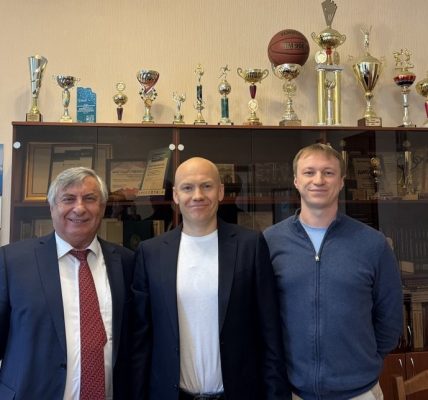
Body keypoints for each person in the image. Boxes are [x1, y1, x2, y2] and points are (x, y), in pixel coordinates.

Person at [131, 157, 289, 400]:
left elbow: (269, 333)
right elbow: (140, 339)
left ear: (221, 192)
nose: (198, 196)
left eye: (206, 186)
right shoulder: (150, 252)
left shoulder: (250, 245)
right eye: (187, 187)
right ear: (175, 195)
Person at [264, 143, 403, 400]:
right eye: (309, 172)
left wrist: (364, 361)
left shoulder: (373, 244)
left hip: (360, 392)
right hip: (292, 391)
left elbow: (390, 318)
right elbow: (262, 316)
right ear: (296, 180)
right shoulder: (270, 242)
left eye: (328, 173)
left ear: (341, 182)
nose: (318, 180)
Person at [0, 167, 134, 400]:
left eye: (89, 199)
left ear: (102, 207)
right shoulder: (11, 261)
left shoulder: (126, 262)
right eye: (68, 199)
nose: (79, 208)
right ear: (52, 207)